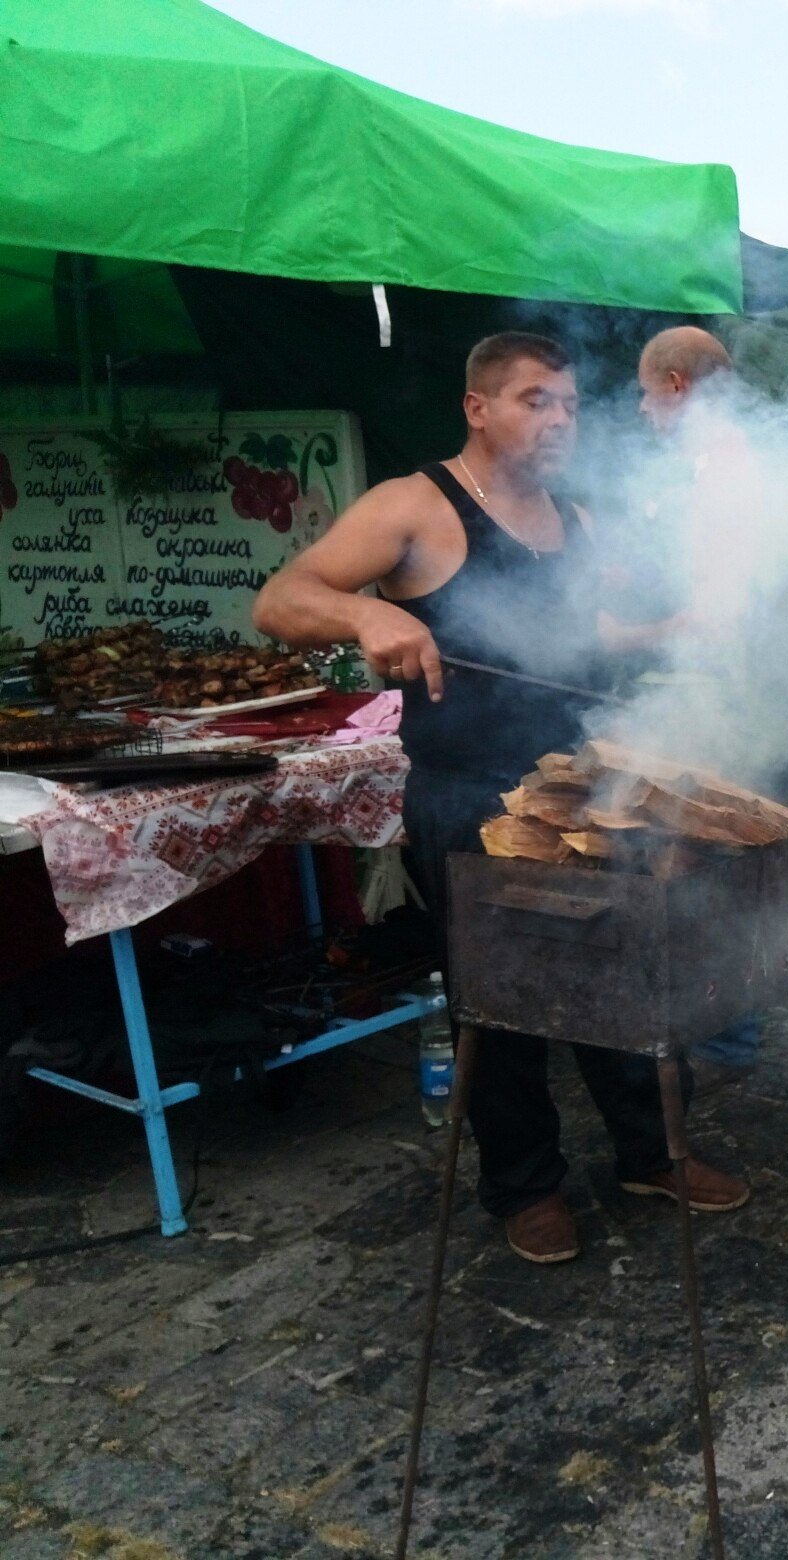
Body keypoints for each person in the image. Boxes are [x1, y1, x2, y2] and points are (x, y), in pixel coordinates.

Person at [254, 331, 750, 1266]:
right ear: (478, 408)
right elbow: (282, 596)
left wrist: (685, 628)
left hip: (580, 787)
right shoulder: (416, 505)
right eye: (534, 401)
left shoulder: (576, 518)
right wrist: (370, 610)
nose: (559, 419)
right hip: (469, 794)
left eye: (567, 404)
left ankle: (653, 1151)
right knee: (502, 998)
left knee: (622, 966)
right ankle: (527, 1187)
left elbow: (589, 637)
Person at [631, 325, 763, 1094]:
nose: (645, 412)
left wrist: (625, 636)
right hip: (737, 689)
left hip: (726, 696)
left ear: (676, 386)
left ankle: (719, 1047)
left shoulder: (726, 470)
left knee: (696, 865)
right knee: (719, 863)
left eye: (647, 394)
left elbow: (721, 613)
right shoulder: (729, 459)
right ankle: (723, 1038)